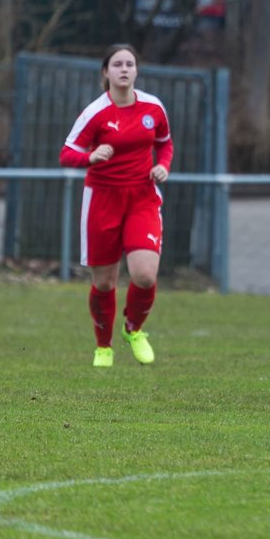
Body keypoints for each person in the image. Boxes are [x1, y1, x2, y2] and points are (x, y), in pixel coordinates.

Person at [59, 44, 172, 368]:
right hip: (103, 200)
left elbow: (165, 143)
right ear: (105, 72)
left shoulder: (153, 108)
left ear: (137, 70)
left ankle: (134, 330)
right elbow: (67, 154)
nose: (124, 69)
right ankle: (103, 347)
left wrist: (163, 166)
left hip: (142, 198)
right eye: (117, 64)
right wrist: (90, 158)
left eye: (130, 64)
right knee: (105, 282)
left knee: (145, 275)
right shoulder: (96, 113)